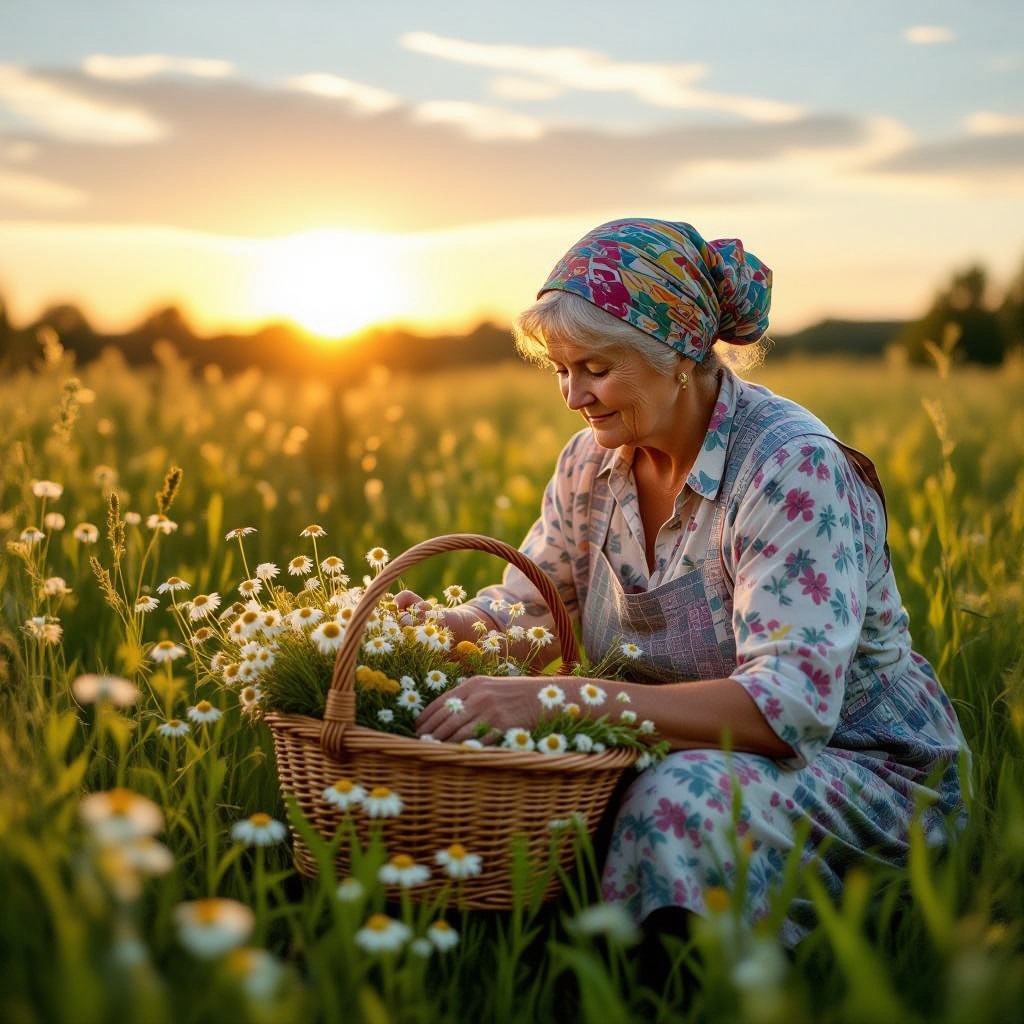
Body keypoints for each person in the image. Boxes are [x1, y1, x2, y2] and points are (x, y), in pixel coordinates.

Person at [409, 217, 970, 948]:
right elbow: (533, 614)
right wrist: (434, 630)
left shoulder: (788, 468)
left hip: (858, 767)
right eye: (560, 369)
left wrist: (562, 700)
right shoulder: (589, 464)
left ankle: (672, 985)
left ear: (677, 355)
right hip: (675, 747)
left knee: (673, 800)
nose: (573, 396)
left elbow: (789, 712)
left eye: (596, 368)